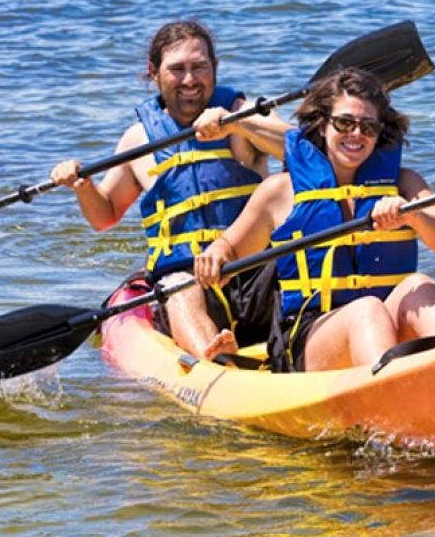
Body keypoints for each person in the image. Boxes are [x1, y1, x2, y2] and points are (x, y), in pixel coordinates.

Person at [193, 67, 435, 372]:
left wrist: (413, 215)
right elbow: (231, 249)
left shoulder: (404, 183)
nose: (356, 134)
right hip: (310, 334)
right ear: (322, 125)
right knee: (366, 310)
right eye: (344, 123)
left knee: (421, 285)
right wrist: (215, 255)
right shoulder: (279, 191)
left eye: (368, 127)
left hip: (385, 319)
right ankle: (389, 393)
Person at [50, 20, 288, 361]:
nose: (190, 80)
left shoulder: (243, 114)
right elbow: (104, 216)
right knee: (179, 288)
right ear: (154, 72)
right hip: (189, 278)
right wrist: (82, 186)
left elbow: (301, 150)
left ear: (214, 68)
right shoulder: (138, 140)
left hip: (254, 269)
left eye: (199, 67)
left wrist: (239, 123)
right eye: (177, 69)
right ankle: (217, 360)